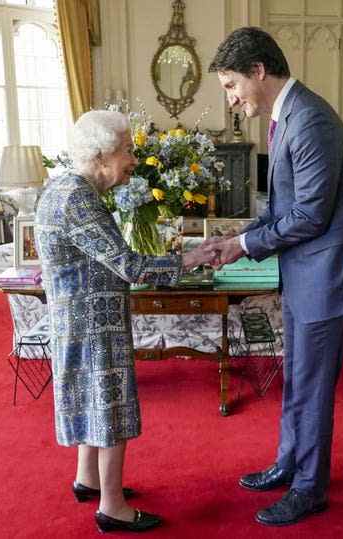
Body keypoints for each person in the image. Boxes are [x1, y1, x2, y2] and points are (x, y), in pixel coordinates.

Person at [206, 27, 343, 527]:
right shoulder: (287, 116)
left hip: (327, 276)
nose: (232, 97)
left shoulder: (310, 122)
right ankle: (289, 462)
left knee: (311, 386)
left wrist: (241, 245)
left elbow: (308, 216)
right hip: (307, 273)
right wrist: (236, 237)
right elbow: (282, 206)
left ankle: (310, 488)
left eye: (230, 84)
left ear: (258, 71)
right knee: (297, 381)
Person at [34, 110, 214, 533]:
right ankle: (112, 507)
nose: (134, 158)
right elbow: (129, 266)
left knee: (93, 398)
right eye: (128, 150)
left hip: (76, 316)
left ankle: (88, 479)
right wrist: (190, 258)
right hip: (93, 323)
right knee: (109, 405)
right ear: (101, 155)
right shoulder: (77, 197)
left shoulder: (63, 187)